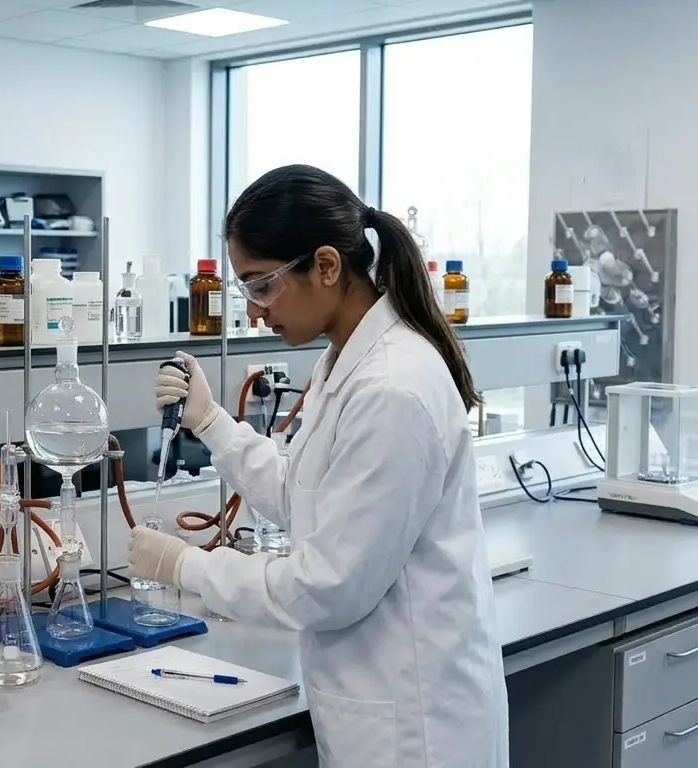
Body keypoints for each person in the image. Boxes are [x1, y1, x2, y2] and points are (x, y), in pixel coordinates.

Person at [128, 165, 509, 767]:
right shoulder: (346, 361)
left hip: (417, 727)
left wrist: (188, 566)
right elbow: (303, 494)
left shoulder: (392, 388)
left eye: (261, 285)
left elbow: (328, 587)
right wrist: (211, 422)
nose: (254, 310)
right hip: (378, 703)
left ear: (327, 266)